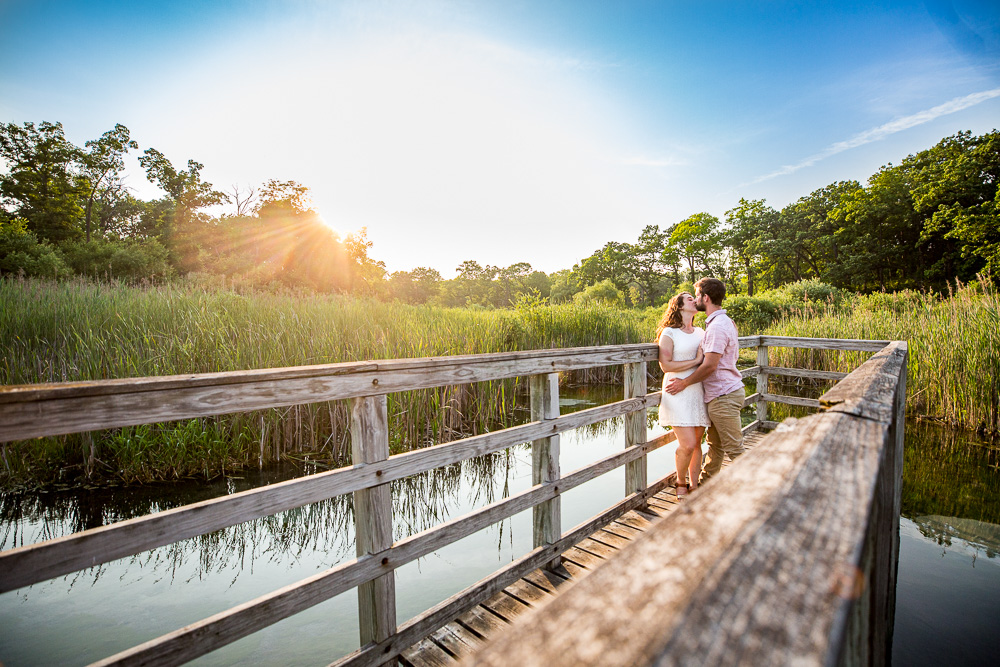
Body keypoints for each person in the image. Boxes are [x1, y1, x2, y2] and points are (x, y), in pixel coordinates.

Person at [665, 277, 745, 483]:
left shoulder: (716, 326)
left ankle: (762, 494)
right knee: (715, 446)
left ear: (706, 298)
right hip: (721, 393)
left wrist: (684, 383)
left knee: (735, 449)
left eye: (698, 295)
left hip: (723, 395)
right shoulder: (722, 322)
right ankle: (705, 485)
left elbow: (710, 365)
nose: (696, 299)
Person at [656, 292, 710, 499]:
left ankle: (694, 486)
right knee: (686, 444)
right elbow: (666, 365)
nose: (693, 300)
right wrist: (696, 361)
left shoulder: (700, 332)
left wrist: (699, 363)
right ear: (678, 306)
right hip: (676, 389)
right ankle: (680, 481)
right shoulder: (669, 333)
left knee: (697, 443)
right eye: (688, 298)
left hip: (697, 389)